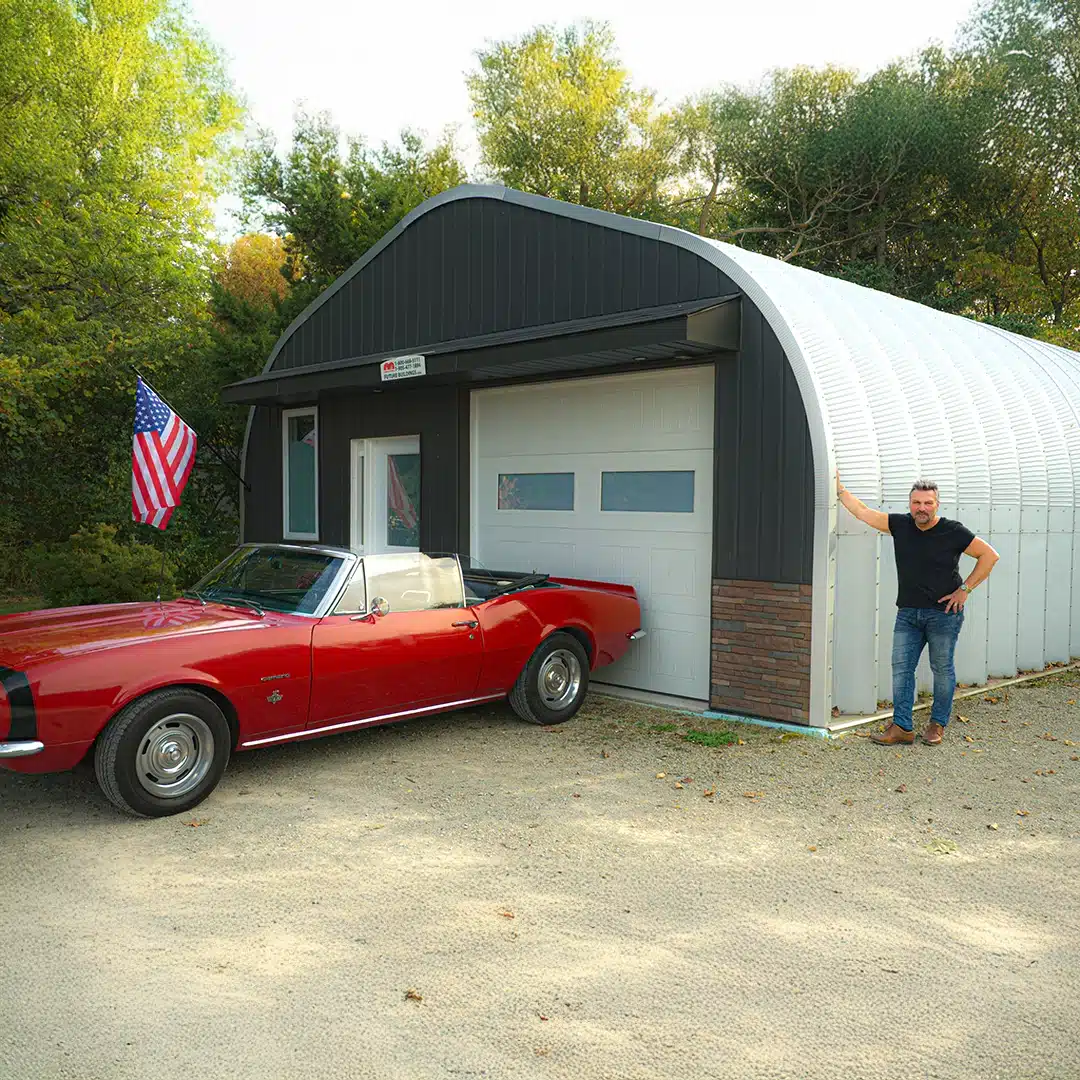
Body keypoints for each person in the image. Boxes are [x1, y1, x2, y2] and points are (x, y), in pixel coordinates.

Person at [836, 473, 1000, 745]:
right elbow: (863, 513)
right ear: (910, 504)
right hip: (908, 614)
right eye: (916, 503)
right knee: (902, 669)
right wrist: (839, 488)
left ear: (937, 504)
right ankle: (902, 727)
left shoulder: (953, 531)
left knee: (942, 669)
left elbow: (989, 556)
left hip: (944, 615)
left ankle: (937, 725)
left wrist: (965, 590)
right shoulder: (900, 525)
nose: (921, 508)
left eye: (927, 502)